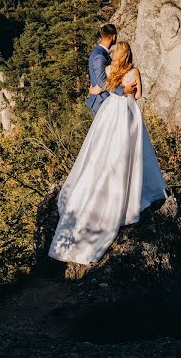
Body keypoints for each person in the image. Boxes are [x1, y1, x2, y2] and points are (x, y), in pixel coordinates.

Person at [48, 37, 167, 265]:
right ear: (129, 53)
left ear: (116, 53)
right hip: (127, 113)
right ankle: (128, 194)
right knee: (128, 151)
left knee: (102, 150)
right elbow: (138, 95)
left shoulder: (109, 68)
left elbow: (106, 87)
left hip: (109, 111)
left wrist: (120, 89)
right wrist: (130, 89)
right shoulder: (134, 71)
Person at [86, 23, 136, 115]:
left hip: (103, 99)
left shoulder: (99, 52)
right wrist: (123, 91)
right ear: (114, 37)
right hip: (101, 101)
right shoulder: (100, 56)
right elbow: (101, 81)